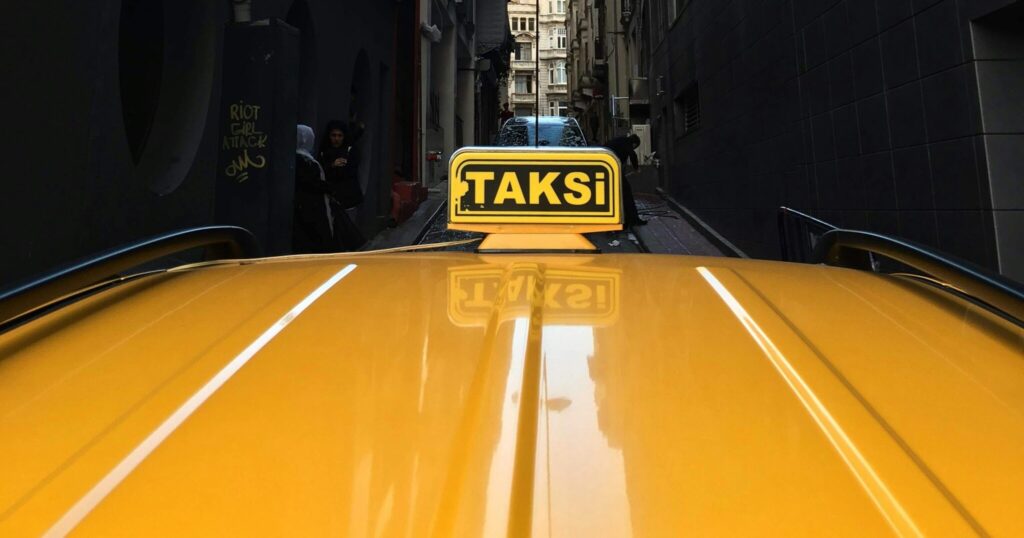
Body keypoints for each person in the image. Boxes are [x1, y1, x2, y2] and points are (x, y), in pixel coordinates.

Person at [293, 125, 335, 253]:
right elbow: (311, 182)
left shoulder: (300, 159)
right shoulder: (305, 161)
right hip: (311, 206)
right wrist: (327, 187)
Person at [604, 133, 646, 227]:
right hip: (612, 169)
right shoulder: (627, 143)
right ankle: (632, 219)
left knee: (621, 194)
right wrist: (636, 168)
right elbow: (632, 154)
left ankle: (628, 218)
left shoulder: (619, 141)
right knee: (626, 193)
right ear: (634, 144)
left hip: (608, 168)